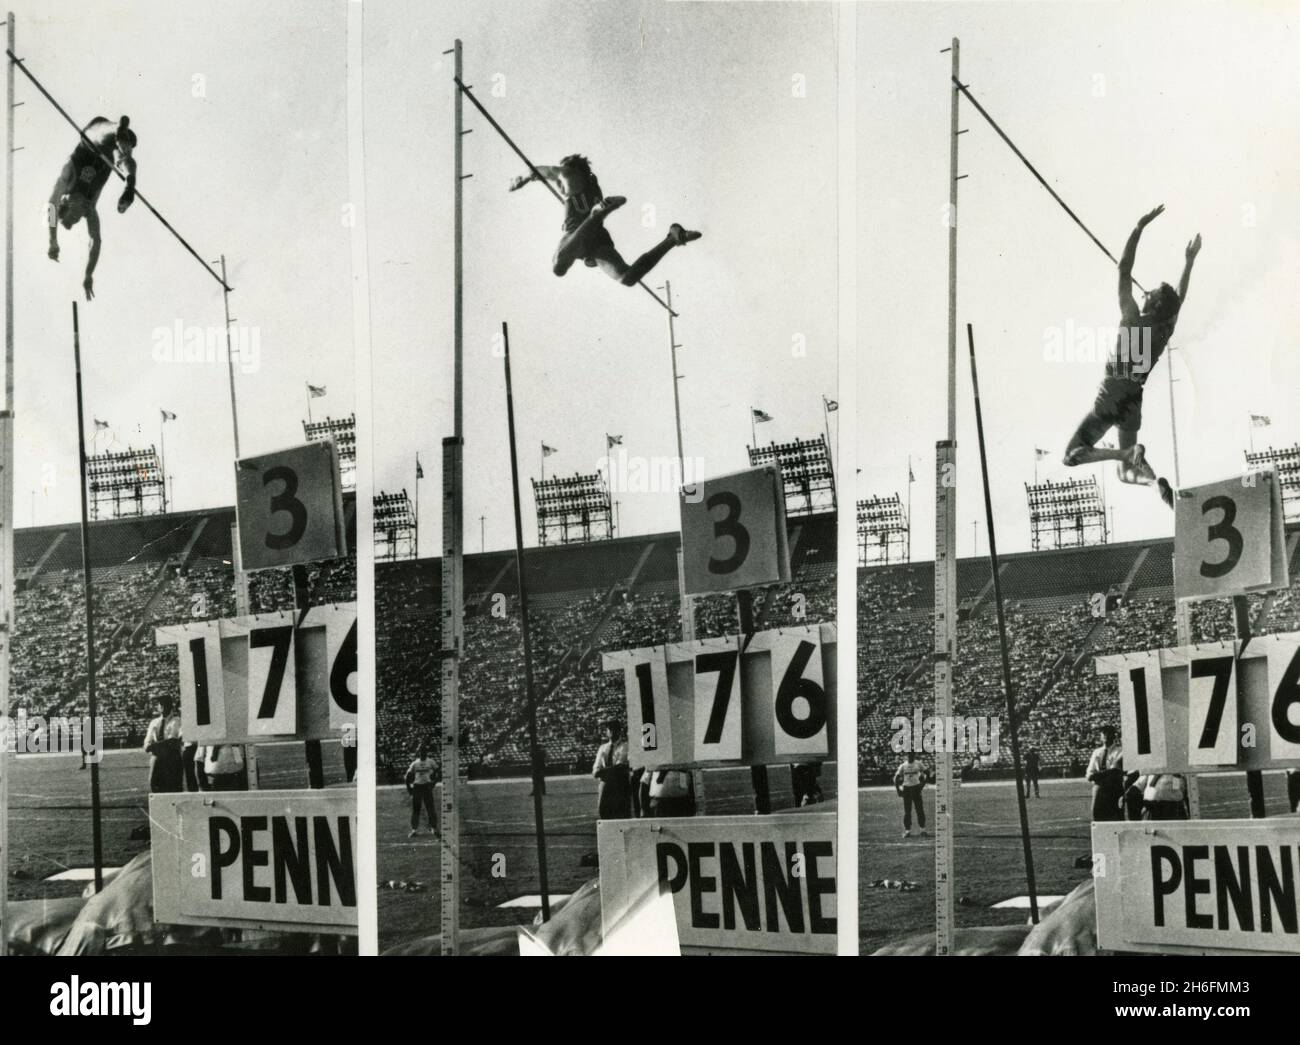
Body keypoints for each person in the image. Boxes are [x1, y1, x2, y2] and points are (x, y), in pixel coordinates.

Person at [1062, 206, 1201, 508]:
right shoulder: (1164, 330)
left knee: (1071, 456)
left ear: (1150, 301)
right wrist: (1188, 262)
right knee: (1126, 475)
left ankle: (1123, 453)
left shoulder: (1132, 318)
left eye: (1147, 292)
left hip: (1112, 392)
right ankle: (1154, 483)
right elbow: (1180, 297)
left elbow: (1124, 269)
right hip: (1133, 399)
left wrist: (1138, 228)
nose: (1143, 292)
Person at [509, 155, 701, 288]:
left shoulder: (567, 175)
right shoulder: (594, 185)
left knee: (558, 266)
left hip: (578, 233)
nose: (558, 186)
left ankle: (597, 215)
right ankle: (672, 239)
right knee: (627, 278)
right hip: (597, 239)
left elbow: (540, 171)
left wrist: (522, 180)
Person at [47, 115, 138, 301]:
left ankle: (115, 129)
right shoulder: (90, 207)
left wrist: (53, 240)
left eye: (73, 217)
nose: (80, 217)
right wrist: (88, 274)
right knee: (122, 157)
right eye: (78, 219)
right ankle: (130, 182)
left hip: (91, 141)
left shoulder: (67, 180)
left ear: (66, 202)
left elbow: (51, 205)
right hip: (111, 153)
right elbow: (95, 241)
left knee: (96, 138)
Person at [591, 719, 632, 821]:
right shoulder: (603, 748)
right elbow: (596, 769)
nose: (612, 731)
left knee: (621, 814)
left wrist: (602, 771)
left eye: (614, 729)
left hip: (620, 785)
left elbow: (620, 767)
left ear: (619, 731)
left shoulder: (625, 746)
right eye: (609, 729)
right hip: (605, 784)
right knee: (603, 811)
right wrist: (600, 771)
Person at [142, 696, 184, 793]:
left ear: (171, 706)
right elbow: (147, 743)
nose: (163, 706)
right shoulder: (154, 722)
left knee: (174, 787)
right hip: (157, 758)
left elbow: (174, 741)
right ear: (158, 707)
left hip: (172, 758)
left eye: (166, 704)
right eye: (161, 704)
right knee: (154, 784)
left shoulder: (177, 721)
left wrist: (155, 746)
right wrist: (148, 745)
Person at [1086, 726, 1125, 822]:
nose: (1105, 735)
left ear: (1113, 735)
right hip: (1099, 787)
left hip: (1114, 788)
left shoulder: (1120, 751)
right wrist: (1103, 774)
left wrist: (1098, 775)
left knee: (1116, 816)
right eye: (1103, 733)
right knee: (1096, 814)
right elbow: (1090, 774)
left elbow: (1115, 771)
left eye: (1108, 733)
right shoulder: (1097, 752)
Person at [405, 743, 437, 838]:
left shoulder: (431, 762)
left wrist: (433, 782)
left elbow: (438, 771)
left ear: (426, 752)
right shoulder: (415, 763)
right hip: (417, 787)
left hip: (427, 787)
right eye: (421, 751)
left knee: (430, 808)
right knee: (416, 810)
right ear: (418, 753)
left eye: (424, 751)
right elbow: (407, 776)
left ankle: (434, 828)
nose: (422, 753)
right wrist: (409, 788)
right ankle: (414, 830)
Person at [894, 753, 927, 838]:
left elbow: (926, 773)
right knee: (907, 811)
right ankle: (907, 831)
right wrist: (898, 789)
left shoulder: (918, 764)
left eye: (912, 755)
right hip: (907, 789)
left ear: (914, 755)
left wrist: (922, 784)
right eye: (909, 755)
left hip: (916, 788)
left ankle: (923, 830)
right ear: (906, 756)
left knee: (920, 810)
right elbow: (896, 778)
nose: (910, 756)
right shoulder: (903, 766)